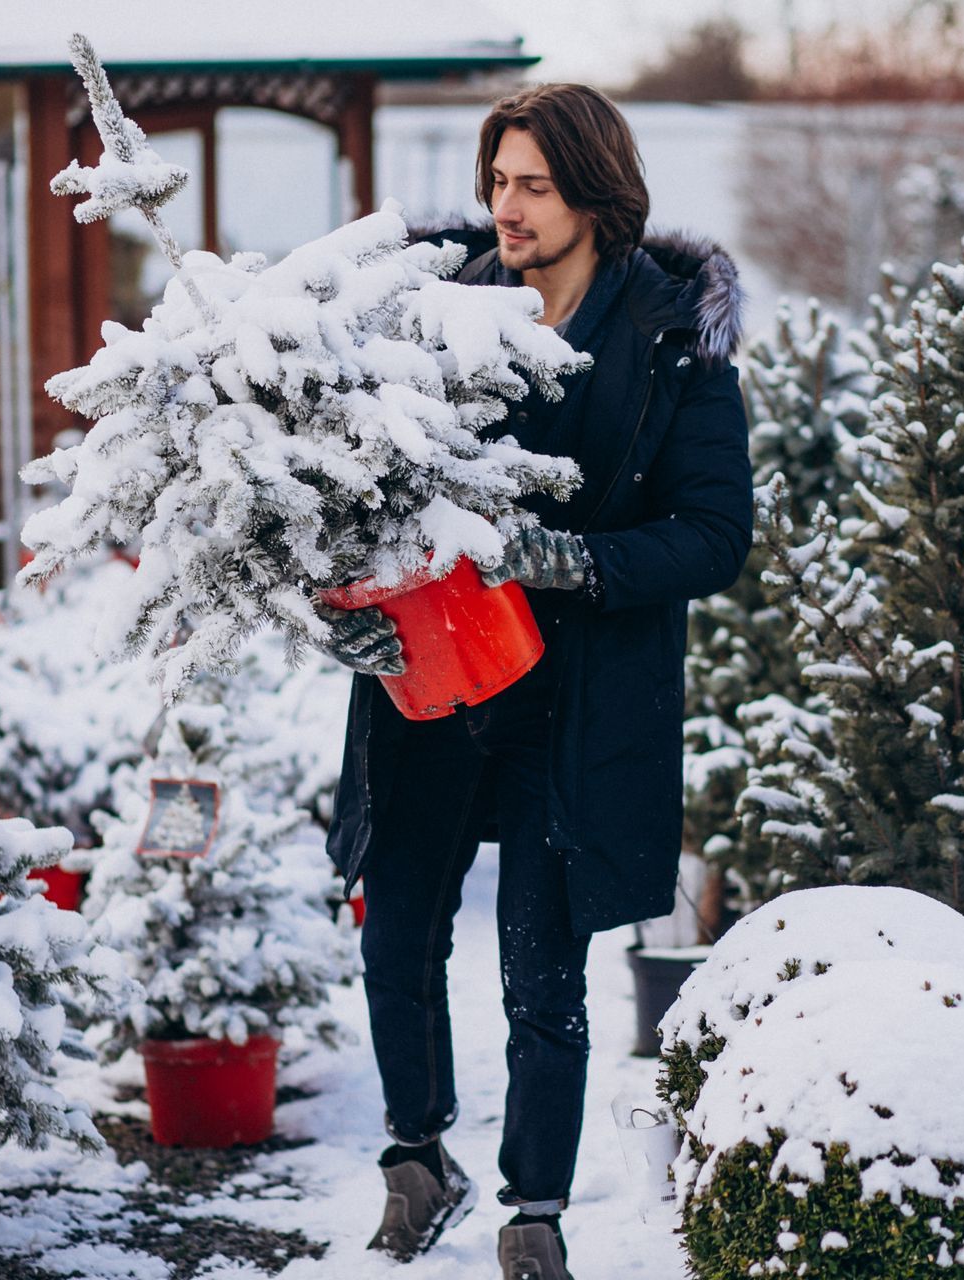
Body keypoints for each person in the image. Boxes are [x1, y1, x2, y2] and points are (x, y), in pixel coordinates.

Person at [319, 83, 751, 1280]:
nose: (505, 207)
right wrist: (341, 614)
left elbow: (717, 533)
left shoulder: (672, 340)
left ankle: (536, 1214)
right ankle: (416, 1159)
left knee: (538, 965)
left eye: (534, 187)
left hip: (577, 702)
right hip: (432, 684)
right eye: (497, 180)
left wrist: (583, 561)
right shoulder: (428, 306)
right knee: (395, 924)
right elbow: (346, 497)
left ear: (596, 197)